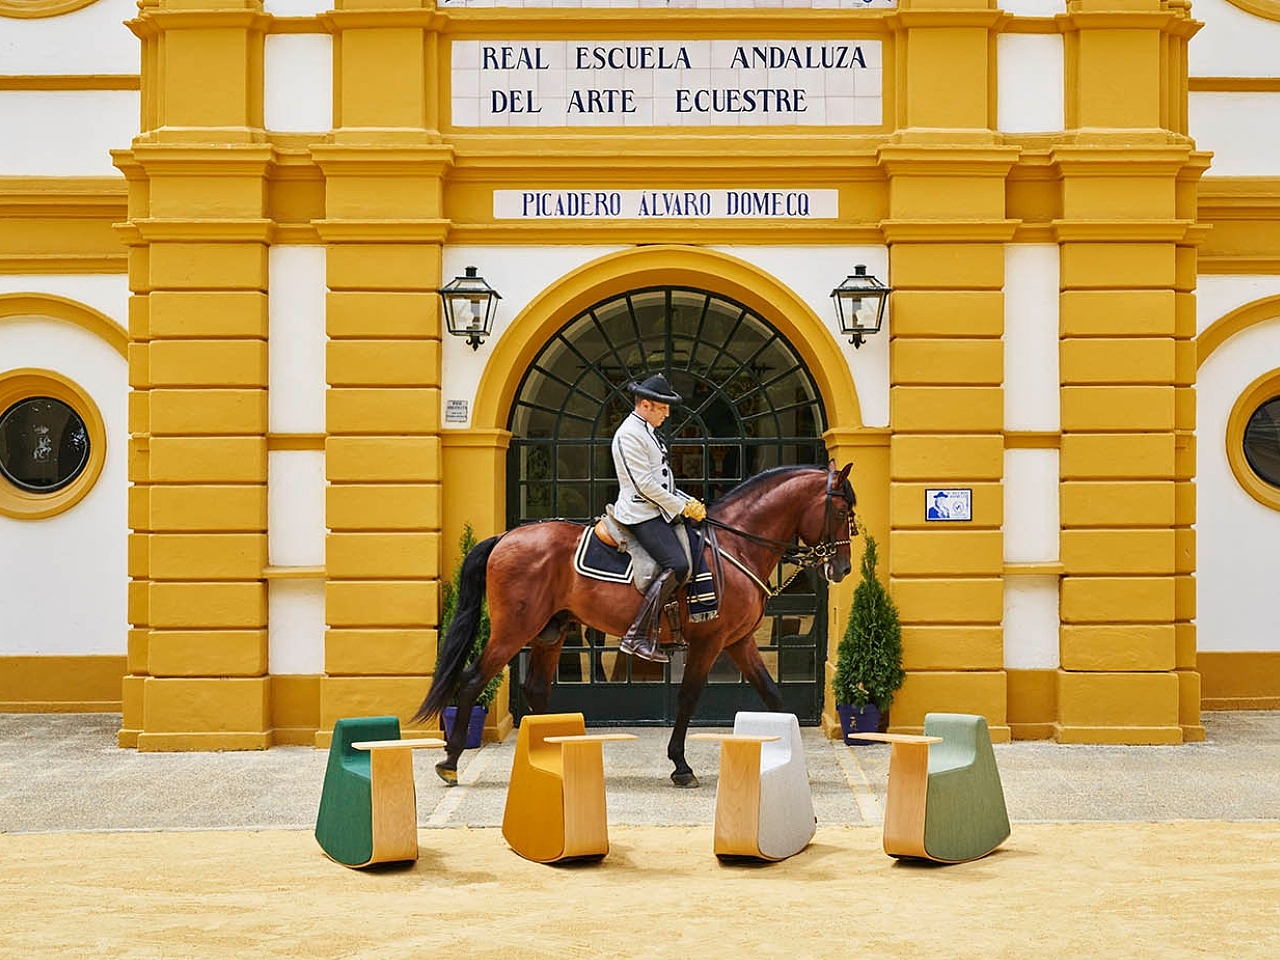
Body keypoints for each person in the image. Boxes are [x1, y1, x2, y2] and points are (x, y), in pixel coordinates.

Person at [611, 374, 707, 663]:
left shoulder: (647, 430)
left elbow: (662, 481)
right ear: (645, 405)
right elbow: (644, 485)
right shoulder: (629, 433)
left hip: (657, 507)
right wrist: (681, 507)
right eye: (662, 407)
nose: (667, 413)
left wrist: (688, 501)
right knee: (678, 564)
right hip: (640, 512)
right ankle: (636, 636)